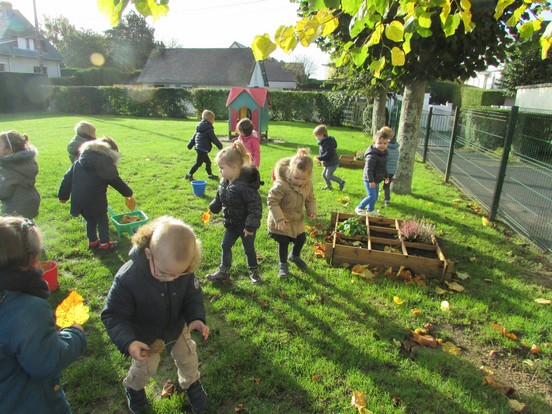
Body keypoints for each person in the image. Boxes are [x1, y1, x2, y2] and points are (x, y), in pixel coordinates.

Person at [101, 216, 210, 414]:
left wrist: (196, 318)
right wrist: (129, 343)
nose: (171, 279)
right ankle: (134, 389)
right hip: (144, 335)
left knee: (188, 357)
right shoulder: (128, 277)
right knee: (145, 369)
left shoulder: (181, 270)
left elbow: (192, 295)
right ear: (149, 254)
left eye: (178, 275)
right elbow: (113, 315)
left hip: (176, 327)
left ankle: (191, 384)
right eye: (164, 274)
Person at [0, 216, 87, 414]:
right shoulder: (27, 309)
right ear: (33, 259)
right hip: (27, 403)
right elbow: (46, 362)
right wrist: (75, 335)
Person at [58, 136, 135, 252]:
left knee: (90, 220)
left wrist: (63, 195)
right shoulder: (104, 163)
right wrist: (127, 193)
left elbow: (67, 178)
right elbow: (115, 181)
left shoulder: (79, 160)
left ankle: (93, 242)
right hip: (96, 200)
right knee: (102, 220)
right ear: (110, 152)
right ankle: (104, 244)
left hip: (79, 200)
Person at [206, 142, 263, 284]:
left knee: (248, 248)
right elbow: (219, 196)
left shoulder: (245, 186)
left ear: (234, 168)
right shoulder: (224, 181)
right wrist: (214, 206)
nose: (220, 171)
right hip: (232, 224)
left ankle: (254, 271)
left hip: (245, 227)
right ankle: (224, 271)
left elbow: (255, 207)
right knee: (225, 245)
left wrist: (250, 226)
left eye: (222, 168)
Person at [267, 148, 317, 278]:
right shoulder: (281, 185)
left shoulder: (308, 185)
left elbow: (310, 199)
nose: (299, 181)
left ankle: (294, 255)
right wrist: (279, 218)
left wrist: (311, 211)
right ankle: (283, 265)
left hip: (297, 220)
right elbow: (272, 201)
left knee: (301, 239)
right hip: (281, 221)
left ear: (309, 177)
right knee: (283, 242)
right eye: (296, 177)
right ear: (290, 171)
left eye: (303, 179)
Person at [0, 130, 40, 219]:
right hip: (31, 203)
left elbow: (3, 192)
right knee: (28, 226)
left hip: (14, 209)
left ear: (9, 150)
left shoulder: (8, 168)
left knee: (14, 231)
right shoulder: (27, 162)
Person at [355, 130, 389, 217]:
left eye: (385, 143)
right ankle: (359, 207)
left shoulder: (383, 154)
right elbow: (368, 170)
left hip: (377, 179)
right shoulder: (372, 155)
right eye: (380, 143)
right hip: (369, 179)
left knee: (376, 196)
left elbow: (383, 167)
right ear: (374, 143)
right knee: (372, 195)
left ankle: (370, 210)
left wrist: (386, 176)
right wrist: (371, 181)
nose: (382, 145)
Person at [185, 110, 223, 181]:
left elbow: (194, 137)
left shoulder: (199, 126)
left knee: (208, 162)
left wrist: (190, 145)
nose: (213, 121)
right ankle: (189, 175)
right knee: (198, 163)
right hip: (203, 149)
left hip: (199, 148)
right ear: (210, 120)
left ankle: (210, 175)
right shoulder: (209, 128)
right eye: (213, 120)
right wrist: (220, 146)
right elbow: (213, 138)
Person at [313, 124, 345, 191]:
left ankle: (341, 182)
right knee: (324, 174)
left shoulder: (328, 142)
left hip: (333, 162)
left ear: (322, 135)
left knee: (328, 175)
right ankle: (329, 186)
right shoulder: (322, 142)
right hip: (328, 162)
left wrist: (320, 158)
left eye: (317, 136)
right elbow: (322, 152)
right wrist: (320, 160)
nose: (316, 137)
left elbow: (329, 154)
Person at [380, 126, 399, 206]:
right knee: (386, 186)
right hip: (392, 170)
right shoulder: (396, 147)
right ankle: (387, 200)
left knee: (374, 182)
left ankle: (372, 198)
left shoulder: (386, 147)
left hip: (384, 169)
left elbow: (384, 159)